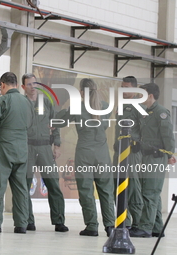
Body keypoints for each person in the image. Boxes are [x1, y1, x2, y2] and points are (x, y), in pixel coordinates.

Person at [53, 78, 115, 237]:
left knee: (86, 191)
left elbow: (59, 121)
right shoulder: (106, 107)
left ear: (81, 92)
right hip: (102, 154)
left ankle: (92, 226)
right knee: (106, 191)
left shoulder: (77, 107)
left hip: (85, 154)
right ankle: (110, 226)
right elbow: (106, 125)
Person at [0, 72, 33, 234]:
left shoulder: (2, 101)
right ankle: (21, 224)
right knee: (21, 188)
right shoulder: (27, 102)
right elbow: (30, 124)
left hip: (4, 148)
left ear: (2, 85)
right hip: (22, 149)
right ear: (16, 85)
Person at [21, 73, 68, 232]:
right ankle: (28, 220)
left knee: (53, 184)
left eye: (35, 84)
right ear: (23, 87)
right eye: (29, 84)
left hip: (44, 148)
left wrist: (57, 145)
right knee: (24, 185)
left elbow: (55, 123)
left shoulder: (46, 102)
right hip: (26, 148)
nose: (32, 87)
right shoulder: (21, 103)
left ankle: (59, 221)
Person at [130, 83, 176, 238]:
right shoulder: (145, 112)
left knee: (150, 191)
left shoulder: (161, 112)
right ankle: (157, 227)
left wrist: (170, 154)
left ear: (150, 95)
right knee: (149, 190)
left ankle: (145, 228)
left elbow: (168, 135)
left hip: (157, 156)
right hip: (146, 155)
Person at [113, 76, 143, 229]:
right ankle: (124, 220)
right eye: (122, 87)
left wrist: (138, 143)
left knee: (132, 185)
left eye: (127, 88)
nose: (123, 90)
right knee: (117, 184)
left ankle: (137, 221)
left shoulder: (139, 106)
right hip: (119, 150)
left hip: (131, 151)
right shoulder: (122, 104)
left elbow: (146, 128)